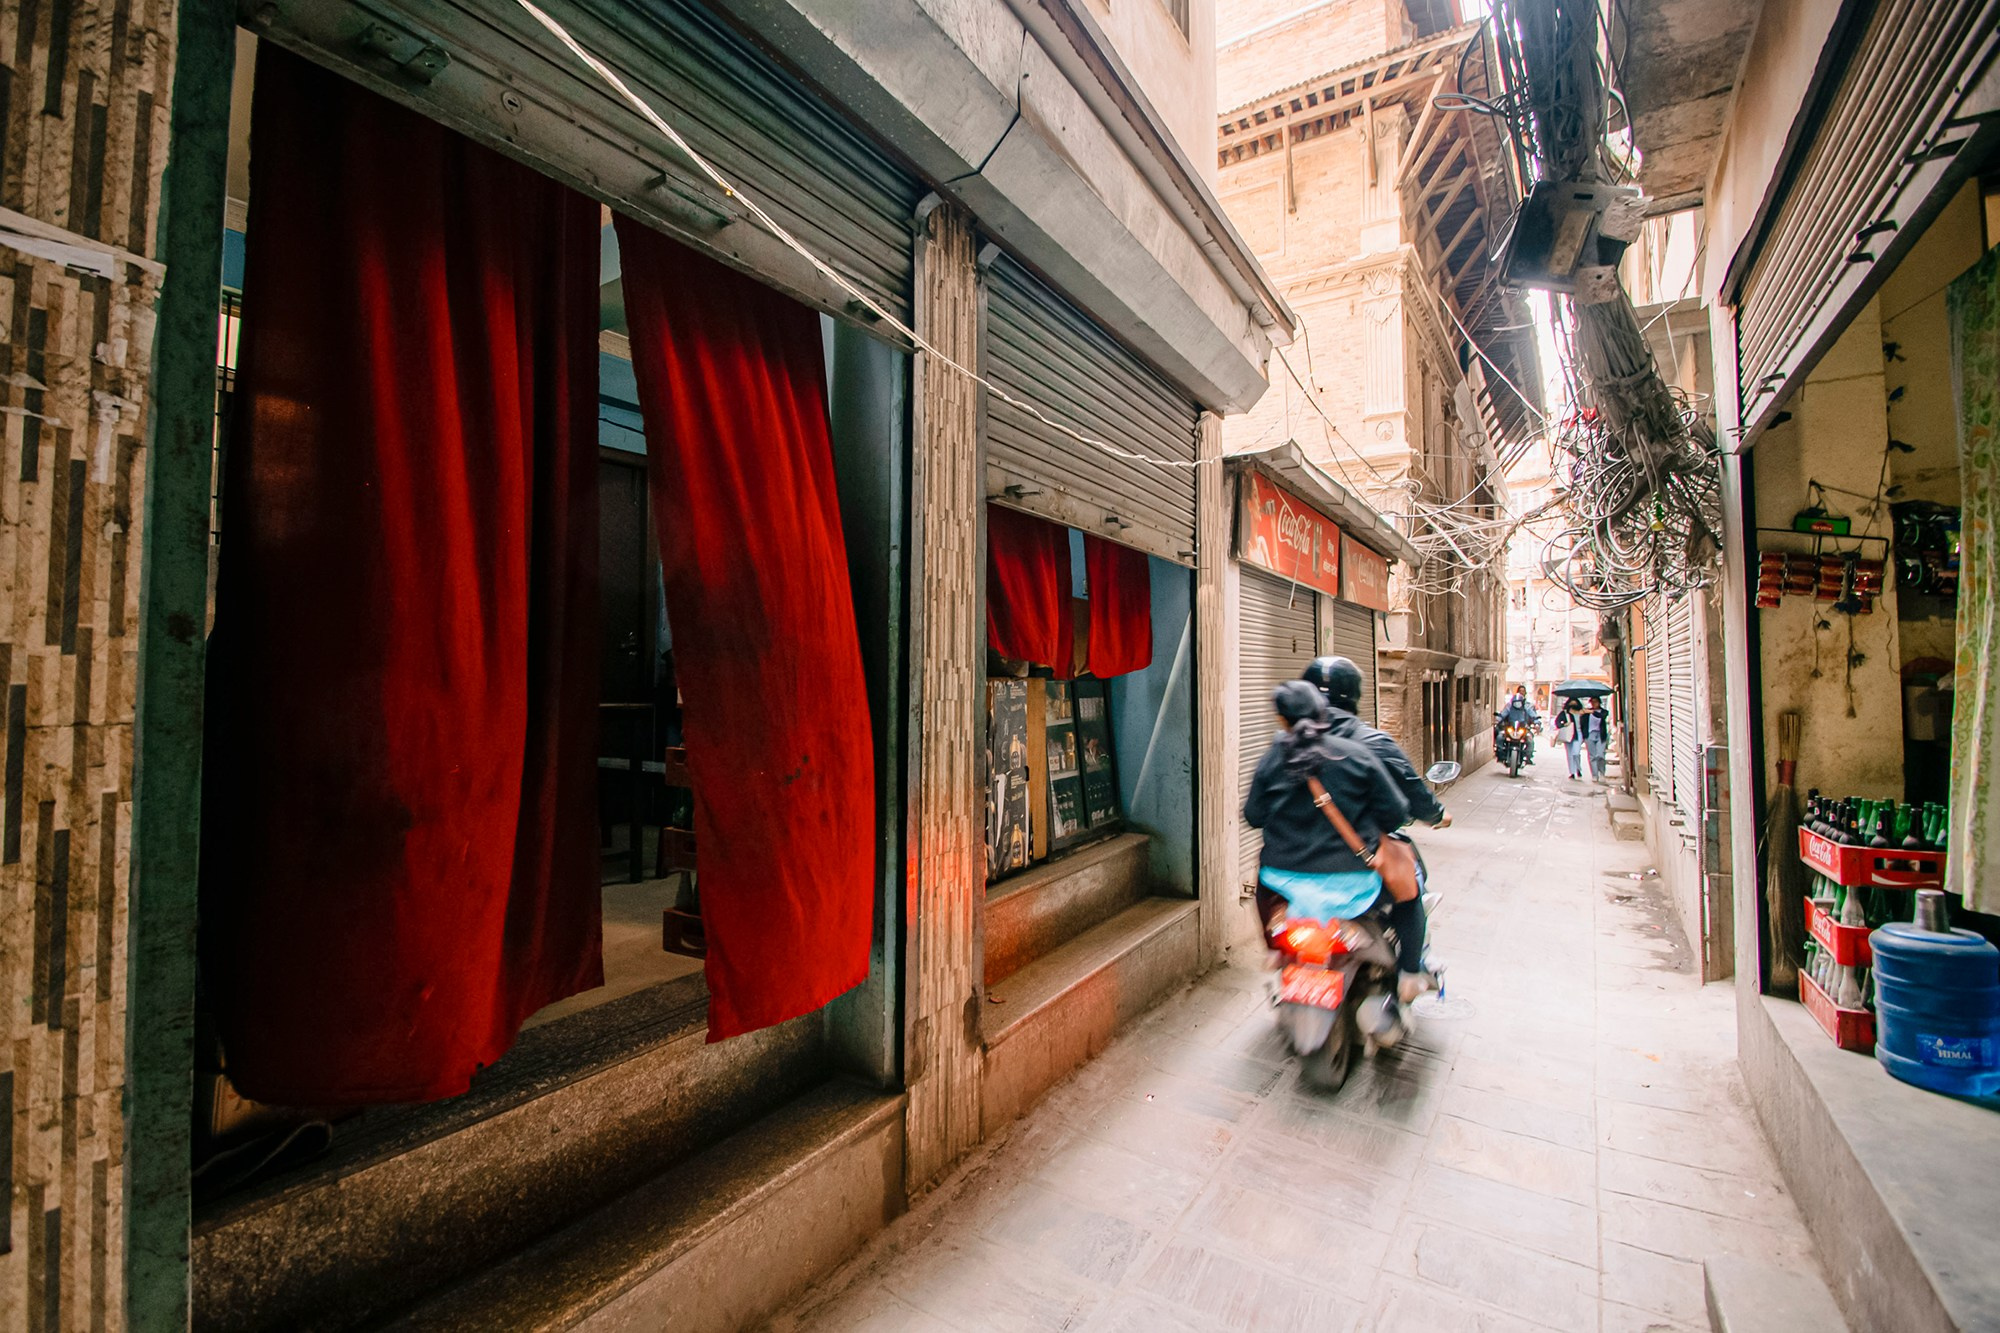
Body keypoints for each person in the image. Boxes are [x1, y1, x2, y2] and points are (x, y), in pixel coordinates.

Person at [1244, 680, 1431, 1002]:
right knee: (1410, 891)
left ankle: (1276, 950)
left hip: (1284, 882)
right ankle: (1410, 974)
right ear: (1322, 713)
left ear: (1281, 719)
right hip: (1355, 884)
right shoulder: (1356, 754)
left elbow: (1254, 815)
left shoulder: (1271, 759)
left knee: (1261, 884)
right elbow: (1396, 812)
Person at [1495, 687, 1541, 764]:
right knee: (1500, 737)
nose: (1521, 693)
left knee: (1530, 740)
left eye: (1523, 691)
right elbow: (1503, 714)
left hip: (1523, 728)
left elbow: (1533, 715)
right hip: (1511, 728)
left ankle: (1528, 756)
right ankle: (1501, 754)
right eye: (1520, 691)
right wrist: (1497, 720)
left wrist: (1536, 722)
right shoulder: (1509, 705)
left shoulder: (1527, 705)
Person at [1578, 697, 1611, 780]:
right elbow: (1581, 723)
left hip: (1600, 734)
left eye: (1595, 702)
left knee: (1600, 754)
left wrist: (1592, 712)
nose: (1594, 704)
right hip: (1590, 734)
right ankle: (1594, 775)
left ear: (1599, 702)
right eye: (1592, 702)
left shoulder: (1604, 712)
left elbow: (1601, 716)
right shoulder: (1587, 713)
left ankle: (1602, 772)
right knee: (1592, 756)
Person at [1559, 697, 1587, 779]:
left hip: (1578, 734)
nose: (1573, 705)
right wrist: (1564, 724)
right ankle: (1572, 772)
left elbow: (1585, 724)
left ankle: (1578, 768)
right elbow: (1557, 722)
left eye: (1575, 703)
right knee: (1570, 754)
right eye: (1571, 703)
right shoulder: (1565, 713)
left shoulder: (1581, 713)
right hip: (1568, 734)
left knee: (1576, 753)